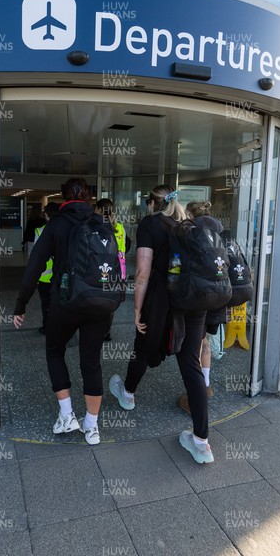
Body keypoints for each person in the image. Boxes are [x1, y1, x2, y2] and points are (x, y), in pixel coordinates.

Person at [109, 185, 214, 464]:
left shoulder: (149, 224)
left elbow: (143, 271)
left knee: (142, 344)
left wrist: (137, 309)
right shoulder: (186, 223)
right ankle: (202, 442)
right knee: (190, 363)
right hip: (194, 300)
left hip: (162, 299)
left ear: (150, 203)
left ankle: (128, 394)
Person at [13, 178, 111, 445]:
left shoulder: (55, 224)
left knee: (55, 350)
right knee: (91, 361)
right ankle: (91, 427)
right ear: (90, 197)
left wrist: (21, 303)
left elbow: (35, 265)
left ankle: (67, 416)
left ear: (63, 197)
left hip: (65, 301)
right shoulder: (103, 223)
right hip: (99, 302)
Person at [178, 200, 226, 415]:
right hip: (219, 295)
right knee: (205, 340)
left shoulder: (192, 232)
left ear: (190, 213)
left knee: (194, 345)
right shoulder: (219, 232)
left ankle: (195, 394)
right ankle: (205, 385)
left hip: (199, 295)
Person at [95, 198, 128, 342]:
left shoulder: (96, 227)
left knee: (97, 298)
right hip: (117, 269)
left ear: (99, 210)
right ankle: (106, 332)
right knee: (110, 301)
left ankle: (97, 329)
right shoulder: (119, 227)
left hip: (100, 268)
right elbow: (123, 250)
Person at [34, 202, 59, 335]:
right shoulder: (66, 229)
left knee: (46, 303)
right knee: (59, 303)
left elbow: (36, 257)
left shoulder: (39, 231)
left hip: (44, 276)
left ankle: (46, 326)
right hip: (60, 276)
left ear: (46, 215)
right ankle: (58, 327)